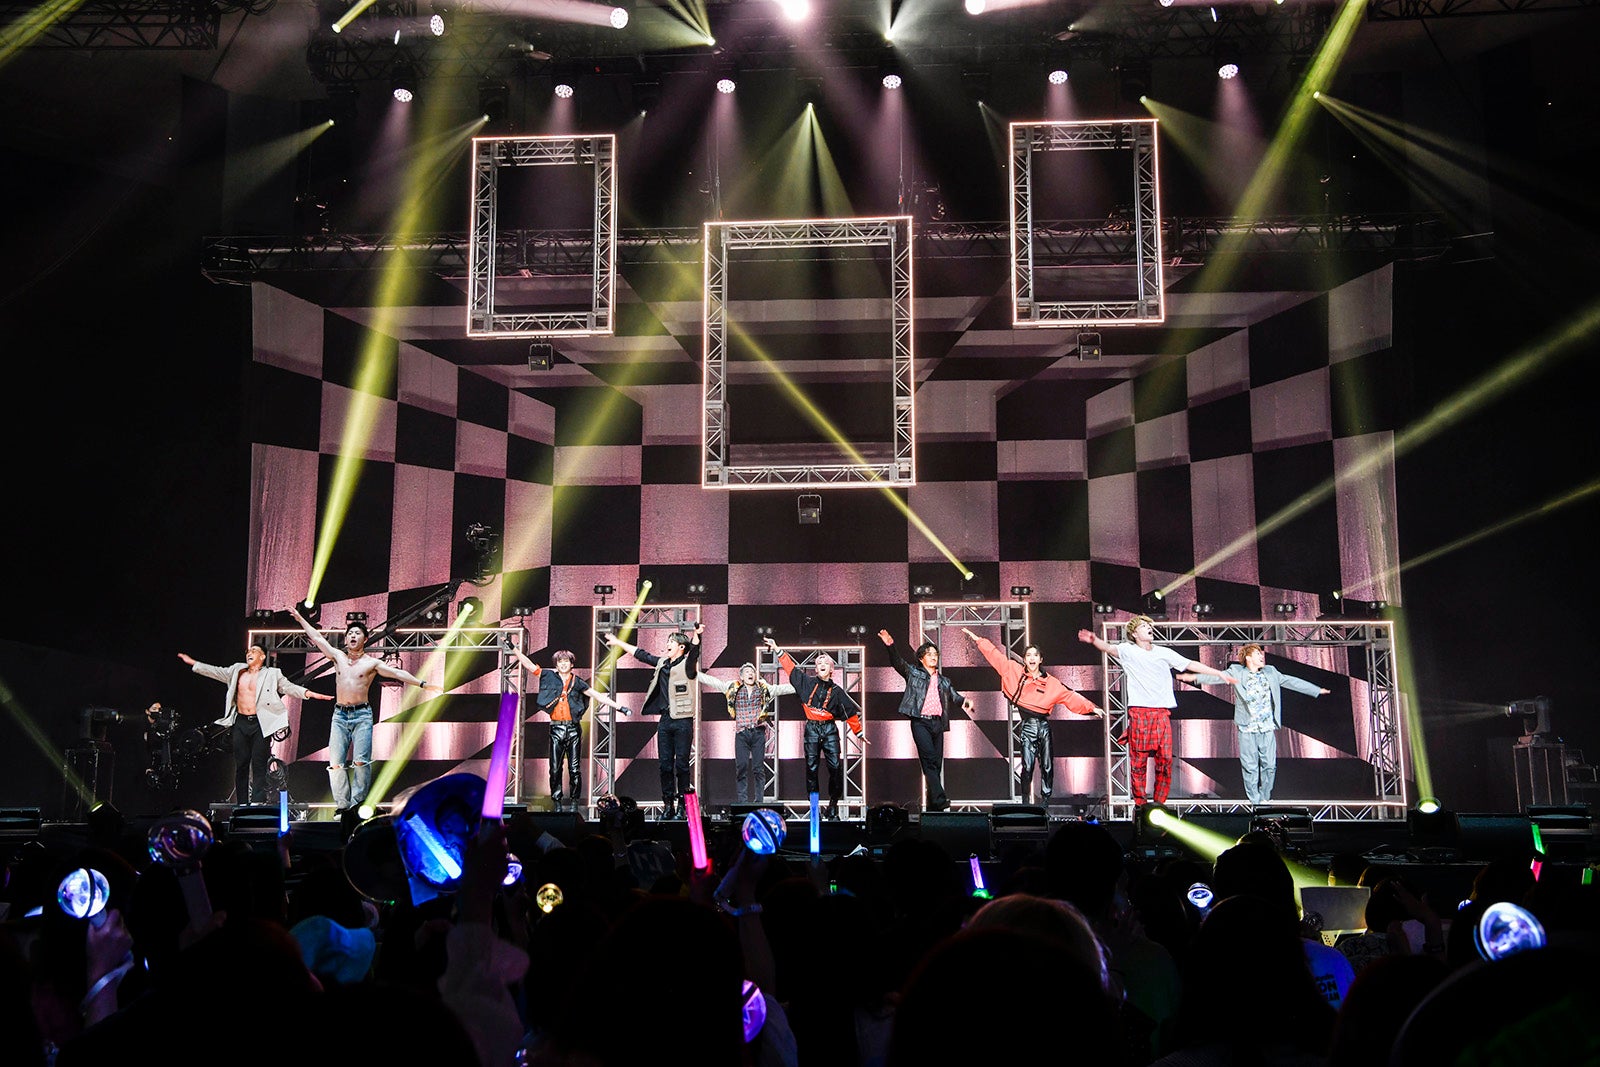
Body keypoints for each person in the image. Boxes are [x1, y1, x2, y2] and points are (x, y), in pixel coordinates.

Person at [287, 604, 441, 813]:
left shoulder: (372, 663)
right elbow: (317, 638)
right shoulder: (338, 657)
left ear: (365, 639)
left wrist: (423, 684)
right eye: (350, 633)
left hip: (362, 715)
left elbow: (398, 674)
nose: (352, 636)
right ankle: (342, 806)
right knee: (336, 764)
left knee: (361, 762)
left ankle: (357, 803)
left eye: (357, 633)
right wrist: (300, 619)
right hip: (340, 715)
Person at [1077, 615, 1236, 806]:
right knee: (1138, 762)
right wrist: (1094, 639)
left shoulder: (1163, 652)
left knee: (1165, 760)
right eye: (1143, 626)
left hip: (1161, 712)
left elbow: (1189, 664)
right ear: (1134, 633)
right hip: (1140, 712)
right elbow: (1109, 648)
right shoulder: (1129, 650)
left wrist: (1218, 673)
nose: (1148, 628)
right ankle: (1141, 803)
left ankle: (1160, 802)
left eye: (1149, 625)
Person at [1177, 643, 1330, 806]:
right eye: (1257, 654)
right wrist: (1195, 678)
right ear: (1248, 657)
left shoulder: (1271, 672)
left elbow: (1291, 681)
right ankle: (1255, 801)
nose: (1261, 656)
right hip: (1247, 727)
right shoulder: (1236, 672)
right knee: (1250, 767)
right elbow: (1217, 677)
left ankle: (1265, 797)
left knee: (1269, 766)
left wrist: (1315, 690)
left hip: (1267, 727)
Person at [961, 628, 1101, 804]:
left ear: (1041, 659)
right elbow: (995, 656)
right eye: (1028, 655)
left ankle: (1045, 802)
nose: (1032, 658)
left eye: (1035, 655)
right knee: (1027, 766)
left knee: (1047, 767)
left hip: (1043, 727)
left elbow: (1070, 696)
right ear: (1024, 659)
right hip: (1027, 726)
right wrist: (979, 640)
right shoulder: (1014, 671)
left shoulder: (1051, 683)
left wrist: (1092, 708)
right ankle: (1026, 801)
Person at [178, 644, 333, 805]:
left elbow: (289, 687)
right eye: (248, 651)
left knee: (259, 762)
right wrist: (193, 663)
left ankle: (257, 800)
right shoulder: (236, 670)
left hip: (260, 723)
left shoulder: (272, 674)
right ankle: (242, 802)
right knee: (242, 764)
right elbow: (215, 671)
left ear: (262, 656)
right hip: (240, 722)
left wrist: (309, 693)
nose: (249, 653)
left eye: (254, 651)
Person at [510, 646, 628, 813]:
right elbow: (528, 665)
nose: (563, 664)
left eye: (566, 661)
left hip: (573, 729)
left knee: (574, 769)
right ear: (556, 664)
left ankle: (574, 803)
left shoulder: (577, 682)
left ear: (572, 664)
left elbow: (596, 695)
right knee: (555, 768)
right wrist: (514, 649)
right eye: (560, 661)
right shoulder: (548, 676)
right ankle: (557, 802)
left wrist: (619, 707)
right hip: (556, 728)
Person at [602, 621, 702, 819]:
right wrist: (618, 642)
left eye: (671, 641)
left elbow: (694, 652)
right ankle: (668, 805)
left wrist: (697, 635)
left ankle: (683, 807)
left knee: (682, 765)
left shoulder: (687, 665)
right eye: (668, 641)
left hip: (682, 721)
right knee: (665, 765)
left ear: (681, 647)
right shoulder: (662, 663)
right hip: (665, 721)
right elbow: (642, 654)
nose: (668, 644)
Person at [877, 629, 973, 812]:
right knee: (928, 760)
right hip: (920, 722)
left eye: (935, 654)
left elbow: (954, 696)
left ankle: (932, 806)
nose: (933, 657)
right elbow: (898, 663)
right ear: (921, 658)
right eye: (929, 654)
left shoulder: (944, 681)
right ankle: (940, 799)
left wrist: (965, 702)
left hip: (938, 724)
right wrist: (890, 645)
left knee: (936, 765)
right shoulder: (913, 673)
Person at [770, 636, 864, 820]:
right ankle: (814, 809)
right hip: (812, 729)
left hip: (829, 730)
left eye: (825, 662)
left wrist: (858, 731)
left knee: (835, 768)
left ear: (831, 669)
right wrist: (777, 649)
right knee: (811, 769)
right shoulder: (807, 682)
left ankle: (833, 807)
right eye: (819, 662)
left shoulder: (837, 691)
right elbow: (790, 668)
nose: (821, 664)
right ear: (815, 668)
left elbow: (850, 711)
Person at [696, 641, 796, 805]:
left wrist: (803, 685)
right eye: (747, 672)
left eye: (753, 671)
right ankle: (742, 801)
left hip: (758, 733)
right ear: (741, 676)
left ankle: (758, 801)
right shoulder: (732, 688)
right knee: (741, 767)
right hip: (741, 734)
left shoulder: (764, 689)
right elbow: (713, 681)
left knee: (758, 768)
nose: (751, 674)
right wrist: (693, 673)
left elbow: (783, 689)